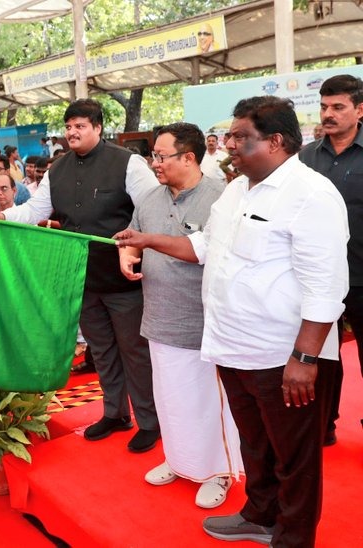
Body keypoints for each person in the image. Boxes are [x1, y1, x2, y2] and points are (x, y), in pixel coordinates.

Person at [115, 96, 348, 547]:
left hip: (281, 355)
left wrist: (304, 356)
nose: (229, 147)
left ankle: (294, 536)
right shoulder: (238, 190)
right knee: (254, 444)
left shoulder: (312, 195)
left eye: (241, 138)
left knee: (294, 455)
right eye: (231, 137)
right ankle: (260, 515)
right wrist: (148, 239)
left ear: (276, 141)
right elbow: (203, 247)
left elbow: (326, 286)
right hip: (232, 345)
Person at [0, 99, 161, 453]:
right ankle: (115, 413)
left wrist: (135, 247)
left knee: (135, 352)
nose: (72, 132)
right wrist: (4, 218)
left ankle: (149, 421)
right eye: (68, 126)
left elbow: (150, 210)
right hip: (80, 277)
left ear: (98, 127)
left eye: (80, 125)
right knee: (102, 350)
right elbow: (37, 209)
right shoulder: (58, 169)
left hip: (124, 278)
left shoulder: (128, 163)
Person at [112, 122, 241, 509]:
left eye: (161, 156)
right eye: (153, 156)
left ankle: (218, 471)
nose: (155, 163)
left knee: (208, 402)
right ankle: (180, 461)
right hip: (158, 318)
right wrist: (126, 256)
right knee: (170, 398)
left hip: (204, 324)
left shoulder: (221, 198)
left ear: (189, 157)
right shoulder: (150, 198)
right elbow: (130, 238)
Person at [298, 73, 363, 447]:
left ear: (358, 110)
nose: (328, 114)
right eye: (324, 106)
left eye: (338, 107)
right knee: (322, 357)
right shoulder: (306, 157)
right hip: (319, 280)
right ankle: (323, 425)